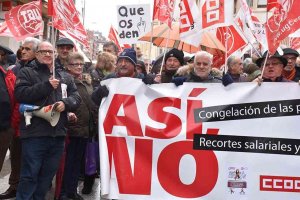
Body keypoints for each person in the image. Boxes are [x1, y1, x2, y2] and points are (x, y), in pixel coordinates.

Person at [14, 41, 81, 200]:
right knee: (29, 176)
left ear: (54, 54)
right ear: (36, 54)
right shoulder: (27, 72)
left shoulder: (64, 75)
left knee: (46, 178)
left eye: (50, 52)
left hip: (57, 135)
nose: (47, 55)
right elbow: (21, 95)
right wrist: (46, 86)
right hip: (34, 134)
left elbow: (76, 97)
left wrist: (65, 104)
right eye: (43, 51)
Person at [0, 37, 40, 200]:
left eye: (28, 49)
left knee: (25, 157)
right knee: (15, 155)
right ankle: (14, 185)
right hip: (12, 120)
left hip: (30, 120)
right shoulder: (14, 69)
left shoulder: (39, 70)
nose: (23, 51)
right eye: (22, 48)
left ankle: (21, 188)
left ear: (36, 53)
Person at [60, 52, 96, 200]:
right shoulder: (66, 81)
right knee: (67, 163)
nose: (79, 67)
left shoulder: (86, 82)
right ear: (67, 66)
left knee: (77, 163)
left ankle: (72, 191)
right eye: (75, 64)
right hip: (71, 128)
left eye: (81, 64)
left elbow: (91, 103)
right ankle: (63, 192)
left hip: (85, 129)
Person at [0, 64, 19, 199]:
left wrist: (11, 124)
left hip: (4, 126)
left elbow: (14, 100)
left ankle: (14, 187)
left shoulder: (8, 74)